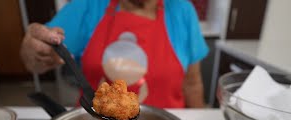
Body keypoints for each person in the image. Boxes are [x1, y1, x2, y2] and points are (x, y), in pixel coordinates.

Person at [20, 0, 209, 108]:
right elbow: (35, 61)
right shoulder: (88, 6)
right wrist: (36, 52)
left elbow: (192, 84)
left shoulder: (182, 11)